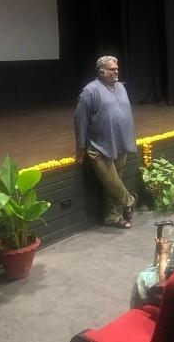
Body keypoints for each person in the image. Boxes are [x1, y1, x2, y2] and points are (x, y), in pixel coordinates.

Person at [74, 55, 137, 229]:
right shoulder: (90, 91)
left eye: (117, 68)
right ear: (102, 72)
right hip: (98, 147)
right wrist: (80, 146)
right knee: (111, 181)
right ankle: (129, 200)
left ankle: (111, 217)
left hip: (120, 143)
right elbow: (80, 119)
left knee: (114, 181)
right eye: (111, 69)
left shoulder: (121, 88)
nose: (116, 71)